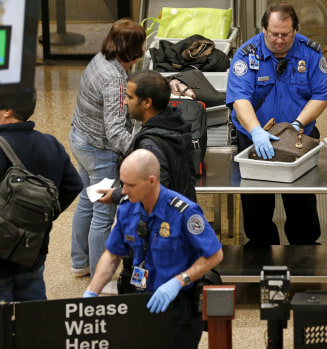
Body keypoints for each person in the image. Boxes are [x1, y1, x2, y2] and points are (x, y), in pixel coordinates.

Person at [83, 149, 223, 349]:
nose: (123, 190)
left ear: (151, 181)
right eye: (122, 183)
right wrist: (91, 292)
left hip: (177, 306)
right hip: (137, 301)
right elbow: (113, 254)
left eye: (130, 185)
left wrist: (178, 281)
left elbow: (214, 254)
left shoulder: (184, 212)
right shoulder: (127, 208)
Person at [226, 2, 327, 245]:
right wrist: (255, 131)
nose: (280, 40)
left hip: (297, 136)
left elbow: (321, 95)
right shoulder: (246, 55)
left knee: (301, 202)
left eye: (285, 34)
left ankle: (304, 251)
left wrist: (296, 124)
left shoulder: (310, 53)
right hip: (256, 138)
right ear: (263, 29)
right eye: (274, 34)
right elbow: (240, 100)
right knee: (257, 205)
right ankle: (262, 251)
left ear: (295, 30)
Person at [69, 18, 146, 278]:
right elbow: (114, 131)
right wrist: (139, 151)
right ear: (134, 48)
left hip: (81, 138)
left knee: (87, 200)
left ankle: (80, 263)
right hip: (98, 151)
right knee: (103, 212)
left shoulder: (101, 59)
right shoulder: (115, 79)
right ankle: (99, 276)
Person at [0, 93, 83, 302]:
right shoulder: (51, 144)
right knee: (34, 322)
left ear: (8, 111)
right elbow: (74, 185)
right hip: (32, 250)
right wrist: (41, 217)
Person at [98, 70, 197, 205]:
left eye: (129, 97)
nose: (125, 102)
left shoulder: (150, 146)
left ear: (147, 102)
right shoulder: (176, 125)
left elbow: (155, 195)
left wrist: (117, 195)